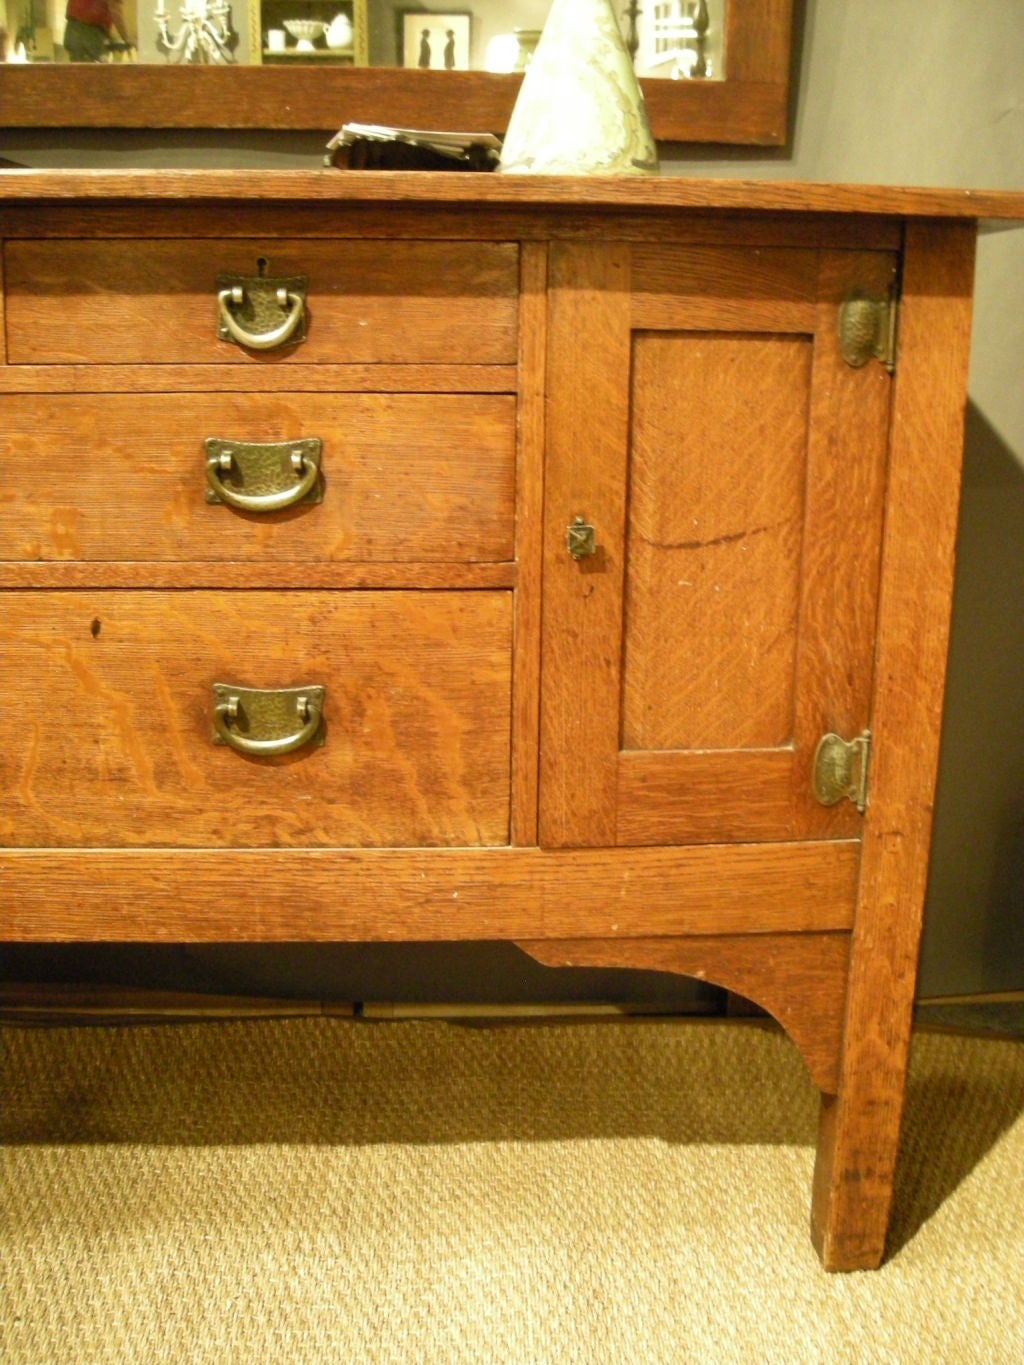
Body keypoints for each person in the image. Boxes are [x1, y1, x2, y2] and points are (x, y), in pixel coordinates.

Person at [63, 0, 131, 62]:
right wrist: (127, 39)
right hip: (89, 34)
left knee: (80, 67)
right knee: (95, 69)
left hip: (72, 29)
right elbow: (115, 10)